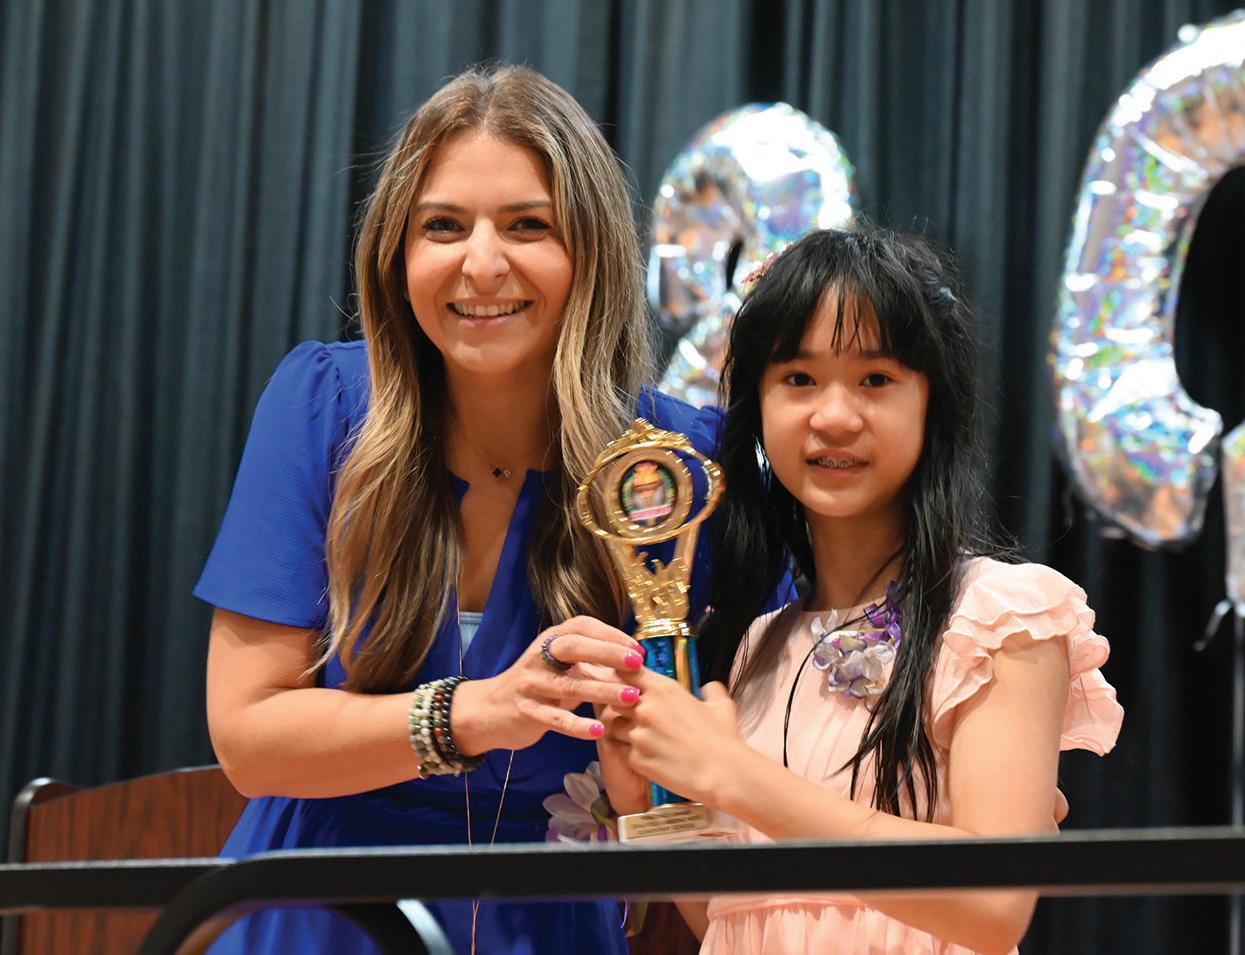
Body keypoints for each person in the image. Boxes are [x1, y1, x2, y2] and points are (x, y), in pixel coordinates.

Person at [195, 64, 761, 955]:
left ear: (591, 251)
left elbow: (725, 771)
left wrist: (650, 806)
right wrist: (477, 710)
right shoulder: (322, 405)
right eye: (443, 226)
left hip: (550, 922)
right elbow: (248, 738)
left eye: (528, 225)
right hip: (312, 915)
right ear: (396, 254)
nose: (482, 263)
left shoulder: (679, 465)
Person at [600, 225, 1124, 954]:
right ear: (757, 406)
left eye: (875, 379)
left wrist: (733, 775)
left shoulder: (1003, 615)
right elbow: (729, 917)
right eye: (799, 378)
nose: (835, 416)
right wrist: (645, 805)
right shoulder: (754, 646)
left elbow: (993, 903)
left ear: (931, 402)